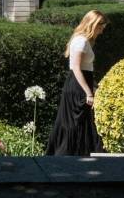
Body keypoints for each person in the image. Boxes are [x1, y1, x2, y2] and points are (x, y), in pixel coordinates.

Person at [46, 9, 107, 156]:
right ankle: (67, 156)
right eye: (101, 27)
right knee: (74, 124)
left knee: (79, 124)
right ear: (93, 24)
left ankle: (79, 156)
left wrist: (93, 86)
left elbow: (85, 69)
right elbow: (76, 68)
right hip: (78, 87)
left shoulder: (83, 40)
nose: (101, 31)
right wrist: (89, 93)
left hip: (80, 84)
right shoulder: (81, 41)